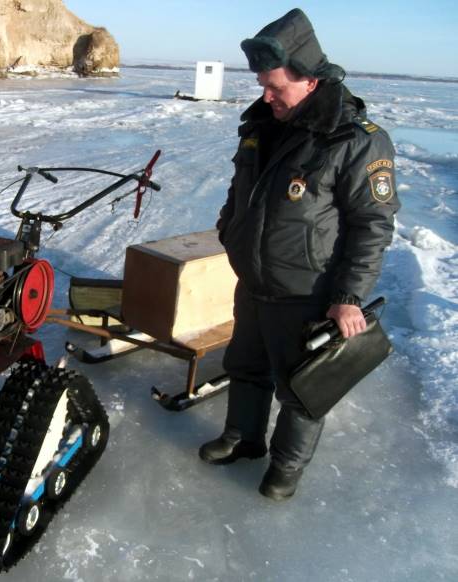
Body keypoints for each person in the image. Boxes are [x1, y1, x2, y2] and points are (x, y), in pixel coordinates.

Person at [200, 9, 400, 500]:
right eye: (262, 85)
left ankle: (286, 468)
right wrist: (231, 232)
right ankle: (243, 438)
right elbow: (239, 189)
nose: (265, 96)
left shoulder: (353, 139)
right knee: (245, 364)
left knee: (302, 388)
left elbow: (372, 224)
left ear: (309, 80)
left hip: (307, 291)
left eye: (275, 87)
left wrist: (349, 296)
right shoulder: (263, 125)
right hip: (254, 282)